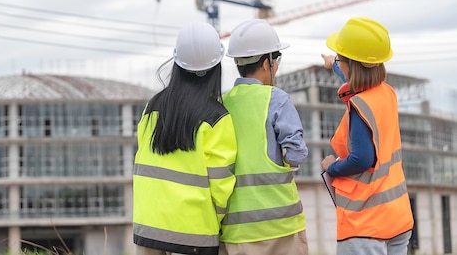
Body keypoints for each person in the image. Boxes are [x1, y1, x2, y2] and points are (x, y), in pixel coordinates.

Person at [133, 21, 237, 255]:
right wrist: (215, 221)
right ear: (216, 67)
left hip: (149, 225)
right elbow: (221, 185)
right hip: (193, 232)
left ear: (177, 63)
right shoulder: (217, 118)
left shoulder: (153, 107)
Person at [320, 17, 414, 255]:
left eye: (341, 59)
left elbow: (362, 159)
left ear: (351, 63)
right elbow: (356, 81)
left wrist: (332, 168)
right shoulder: (386, 93)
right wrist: (333, 65)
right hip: (397, 217)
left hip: (365, 223)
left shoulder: (360, 106)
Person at [220, 18, 308, 255]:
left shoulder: (221, 103)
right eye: (276, 59)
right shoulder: (276, 99)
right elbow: (296, 154)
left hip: (235, 231)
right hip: (281, 226)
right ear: (267, 62)